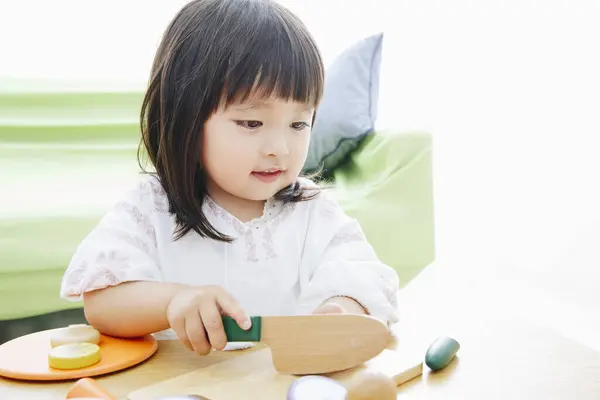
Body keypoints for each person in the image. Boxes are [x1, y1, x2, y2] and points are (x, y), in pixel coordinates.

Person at [60, 0, 400, 356]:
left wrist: (341, 310)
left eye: (299, 123)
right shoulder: (152, 208)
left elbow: (362, 277)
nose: (279, 148)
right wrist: (173, 302)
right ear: (185, 118)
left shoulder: (313, 211)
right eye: (251, 123)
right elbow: (102, 300)